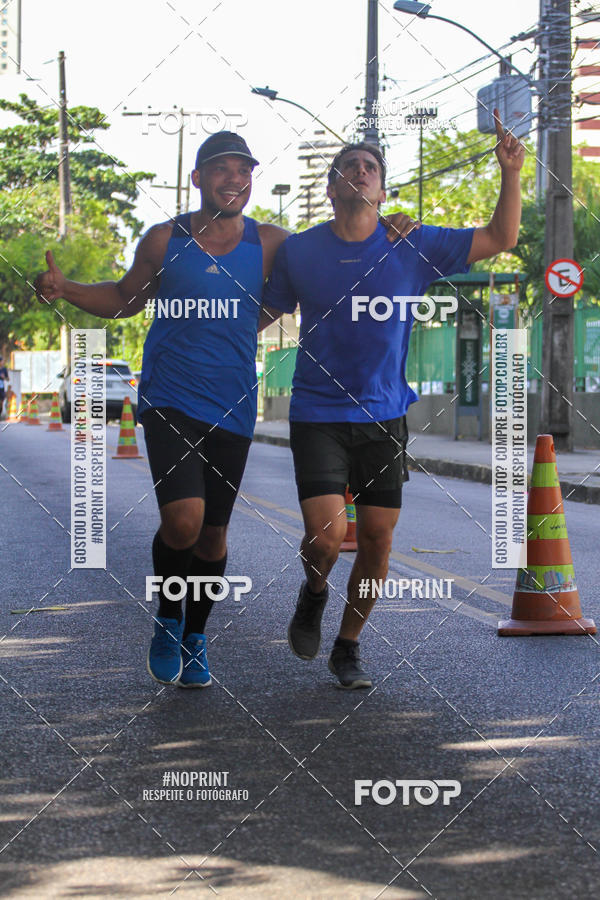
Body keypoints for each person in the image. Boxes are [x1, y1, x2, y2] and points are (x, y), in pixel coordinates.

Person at [261, 111, 524, 689]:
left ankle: (348, 646)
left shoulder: (413, 242)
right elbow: (263, 314)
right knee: (327, 538)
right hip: (317, 413)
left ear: (382, 188)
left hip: (385, 415)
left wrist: (511, 172)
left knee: (377, 539)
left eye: (371, 166)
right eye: (349, 166)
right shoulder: (300, 253)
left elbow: (502, 238)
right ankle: (313, 590)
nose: (360, 170)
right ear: (331, 189)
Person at [34, 132, 288, 688]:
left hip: (233, 407)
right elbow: (125, 300)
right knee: (184, 520)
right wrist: (67, 288)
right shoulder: (163, 240)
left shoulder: (270, 243)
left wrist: (391, 232)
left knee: (213, 537)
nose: (233, 179)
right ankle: (168, 618)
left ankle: (196, 635)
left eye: (242, 170)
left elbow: (313, 274)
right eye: (220, 169)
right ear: (197, 180)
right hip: (169, 397)